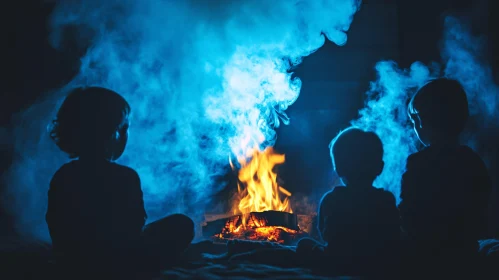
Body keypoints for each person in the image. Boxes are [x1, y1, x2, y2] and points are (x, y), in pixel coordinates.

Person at [46, 87, 194, 278]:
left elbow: (56, 226)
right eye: (123, 128)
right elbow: (134, 227)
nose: (126, 135)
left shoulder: (63, 175)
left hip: (73, 260)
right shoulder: (125, 177)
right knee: (182, 224)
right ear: (110, 133)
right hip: (119, 261)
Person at [399, 78, 492, 272]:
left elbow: (408, 211)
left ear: (422, 121)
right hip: (465, 253)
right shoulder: (472, 160)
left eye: (414, 120)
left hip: (424, 253)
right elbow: (482, 205)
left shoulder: (419, 162)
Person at [297, 127, 400, 276]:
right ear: (379, 168)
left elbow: (324, 234)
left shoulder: (331, 199)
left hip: (339, 260)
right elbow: (393, 234)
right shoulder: (386, 199)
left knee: (304, 244)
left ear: (338, 169)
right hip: (378, 261)